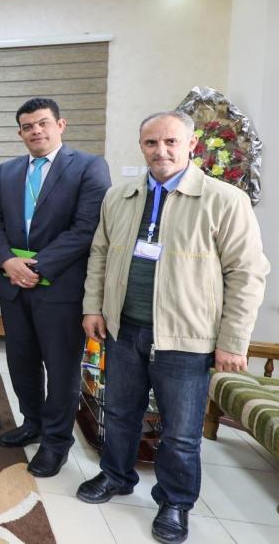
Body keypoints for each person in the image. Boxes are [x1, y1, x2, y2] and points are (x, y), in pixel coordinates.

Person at [75, 111, 269, 544]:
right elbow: (100, 255)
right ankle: (116, 475)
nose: (160, 150)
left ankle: (175, 501)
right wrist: (93, 307)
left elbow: (247, 274)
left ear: (191, 145)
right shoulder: (120, 197)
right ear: (141, 146)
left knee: (180, 433)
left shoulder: (224, 200)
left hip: (186, 339)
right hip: (124, 330)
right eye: (151, 143)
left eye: (170, 142)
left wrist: (233, 341)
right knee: (119, 414)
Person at [0, 97, 111, 477]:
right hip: (13, 286)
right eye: (27, 126)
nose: (35, 131)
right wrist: (7, 262)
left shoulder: (88, 167)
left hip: (61, 290)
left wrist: (36, 267)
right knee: (21, 362)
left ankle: (56, 442)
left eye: (42, 123)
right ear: (20, 133)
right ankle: (32, 422)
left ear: (60, 124)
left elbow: (87, 228)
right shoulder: (6, 171)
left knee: (61, 369)